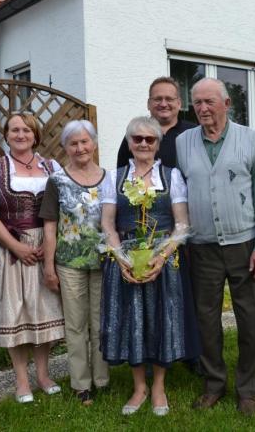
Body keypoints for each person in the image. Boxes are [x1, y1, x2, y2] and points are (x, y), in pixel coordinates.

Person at [175, 78, 255, 416]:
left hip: (244, 244)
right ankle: (214, 384)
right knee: (206, 320)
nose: (202, 108)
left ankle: (248, 390)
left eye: (209, 102)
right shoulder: (184, 142)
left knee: (250, 322)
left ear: (227, 104)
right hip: (202, 247)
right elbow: (179, 194)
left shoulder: (249, 139)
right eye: (197, 102)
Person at [99, 116, 201, 416]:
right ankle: (139, 386)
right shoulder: (114, 177)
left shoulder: (172, 177)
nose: (143, 144)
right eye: (137, 139)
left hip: (164, 260)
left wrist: (161, 256)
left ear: (158, 144)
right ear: (129, 143)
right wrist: (123, 259)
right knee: (133, 318)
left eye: (150, 140)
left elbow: (182, 224)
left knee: (161, 319)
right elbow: (107, 223)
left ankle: (158, 386)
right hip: (126, 260)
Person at [0, 113, 65, 403]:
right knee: (16, 312)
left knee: (46, 311)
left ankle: (43, 375)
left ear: (36, 134)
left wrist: (50, 245)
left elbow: (65, 207)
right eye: (14, 129)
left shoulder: (51, 166)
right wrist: (16, 246)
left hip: (47, 247)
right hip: (12, 249)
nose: (20, 134)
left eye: (26, 129)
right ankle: (22, 381)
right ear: (6, 134)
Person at [39, 120, 109, 405]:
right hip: (69, 263)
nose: (80, 148)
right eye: (73, 143)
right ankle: (81, 383)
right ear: (65, 147)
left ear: (94, 143)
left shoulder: (110, 177)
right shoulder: (57, 180)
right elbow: (50, 226)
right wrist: (48, 265)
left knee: (101, 322)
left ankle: (103, 379)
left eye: (85, 142)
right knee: (77, 325)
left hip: (105, 262)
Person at [115, 76, 195, 168]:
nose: (163, 104)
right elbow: (122, 174)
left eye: (169, 99)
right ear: (148, 104)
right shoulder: (136, 135)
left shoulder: (193, 132)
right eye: (158, 99)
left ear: (179, 103)